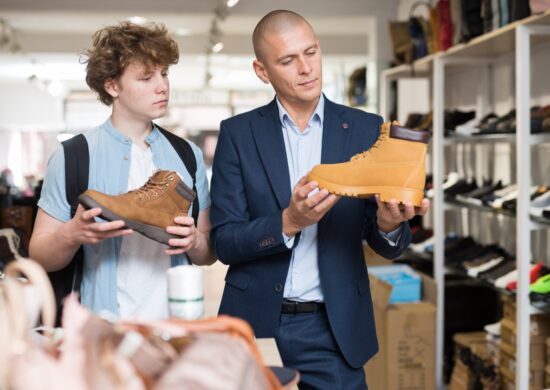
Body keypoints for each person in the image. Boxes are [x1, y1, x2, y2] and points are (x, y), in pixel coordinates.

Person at [210, 10, 429, 389]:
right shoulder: (238, 133)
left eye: (311, 52)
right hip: (255, 321)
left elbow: (386, 244)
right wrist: (288, 223)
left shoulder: (364, 128)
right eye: (288, 60)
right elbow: (224, 241)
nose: (306, 68)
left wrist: (389, 224)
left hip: (334, 327)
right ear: (262, 71)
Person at [29, 22, 216, 320]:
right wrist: (72, 234)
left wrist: (194, 241)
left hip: (175, 325)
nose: (162, 86)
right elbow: (39, 254)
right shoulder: (73, 155)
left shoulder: (187, 155)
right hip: (100, 325)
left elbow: (207, 253)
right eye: (146, 77)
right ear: (112, 85)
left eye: (164, 74)